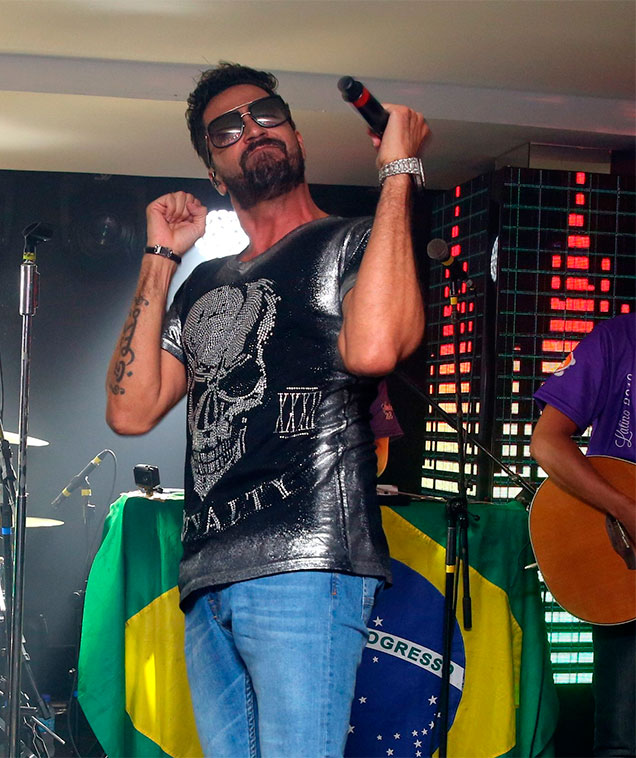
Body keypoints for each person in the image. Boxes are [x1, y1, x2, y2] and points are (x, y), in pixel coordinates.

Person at [106, 62, 428, 757]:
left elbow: (375, 349)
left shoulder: (353, 242)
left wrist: (399, 169)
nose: (252, 127)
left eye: (266, 112)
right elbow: (131, 412)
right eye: (227, 128)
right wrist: (161, 257)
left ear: (296, 133)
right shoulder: (202, 287)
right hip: (208, 575)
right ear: (216, 175)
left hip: (306, 561)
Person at [530, 312, 635, 757]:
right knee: (622, 743)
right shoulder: (620, 338)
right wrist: (626, 509)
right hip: (624, 569)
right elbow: (547, 442)